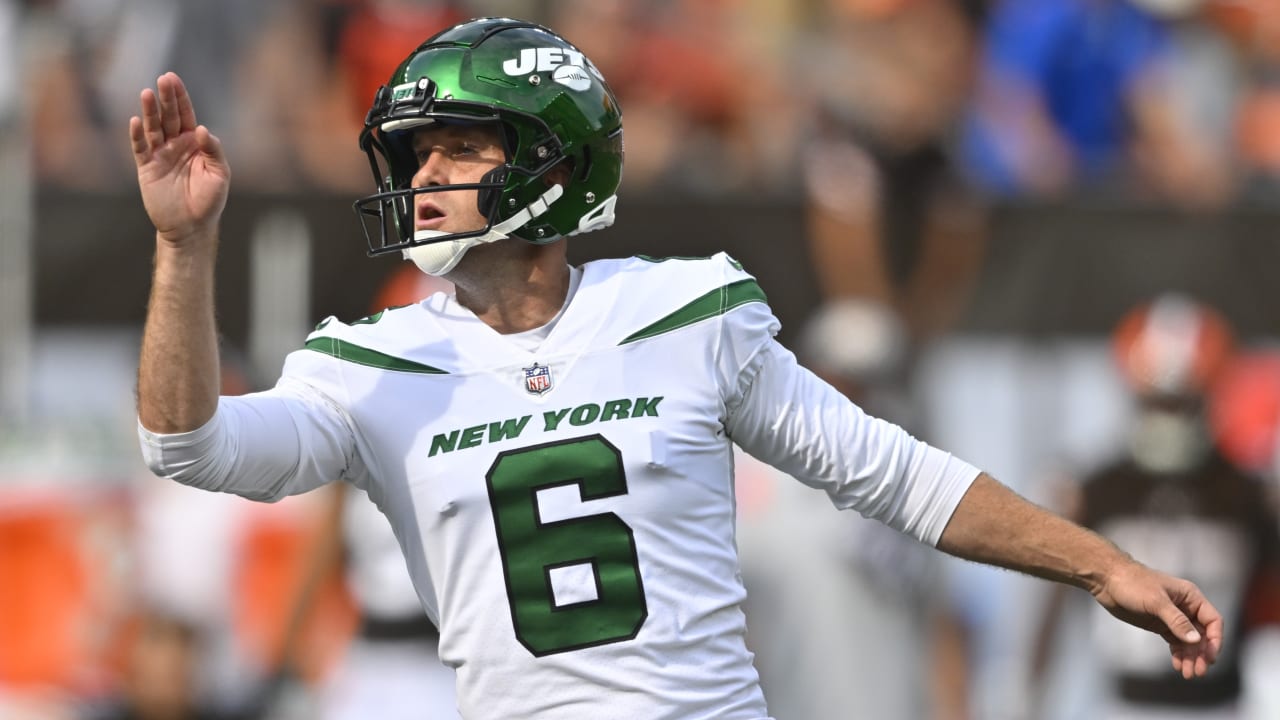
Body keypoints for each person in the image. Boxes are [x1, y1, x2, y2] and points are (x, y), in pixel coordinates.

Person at [131, 17, 1222, 719]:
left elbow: (890, 475)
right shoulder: (370, 361)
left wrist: (1096, 565)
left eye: (459, 147)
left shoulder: (684, 310)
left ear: (550, 168)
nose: (426, 175)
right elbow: (187, 444)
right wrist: (184, 252)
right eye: (417, 153)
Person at [1031, 295, 1280, 719]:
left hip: (1223, 706)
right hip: (1122, 706)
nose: (1168, 416)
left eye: (1182, 401)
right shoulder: (1096, 490)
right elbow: (1049, 614)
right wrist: (1028, 698)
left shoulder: (1246, 493)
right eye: (1157, 400)